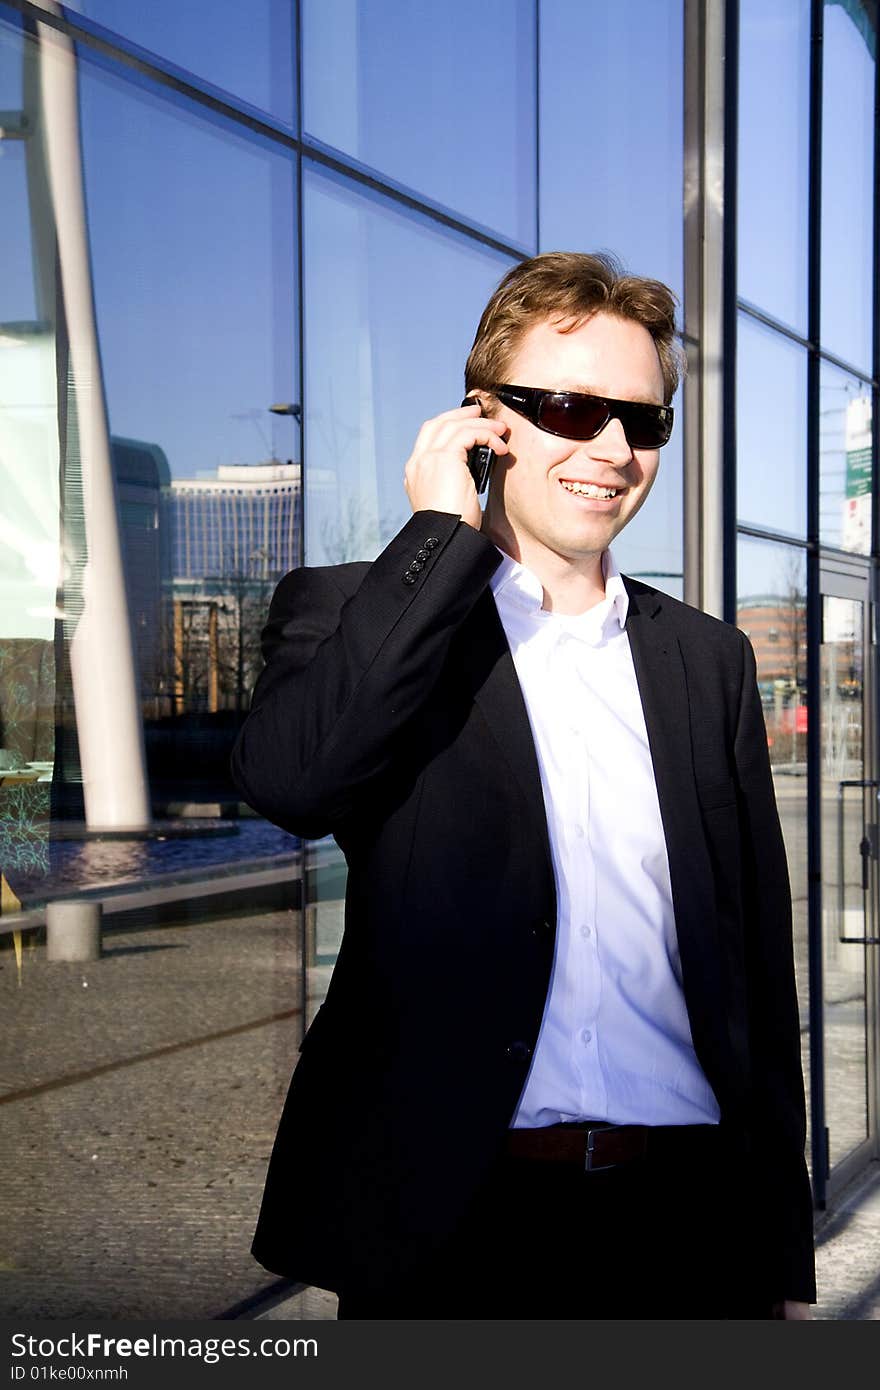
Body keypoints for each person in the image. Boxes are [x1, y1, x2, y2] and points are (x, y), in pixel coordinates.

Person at [230, 251, 816, 1320]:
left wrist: (778, 1259)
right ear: (485, 421)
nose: (610, 449)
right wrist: (433, 540)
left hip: (684, 1225)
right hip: (455, 1228)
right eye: (569, 408)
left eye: (642, 421)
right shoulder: (361, 612)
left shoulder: (706, 661)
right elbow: (292, 781)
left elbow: (750, 976)